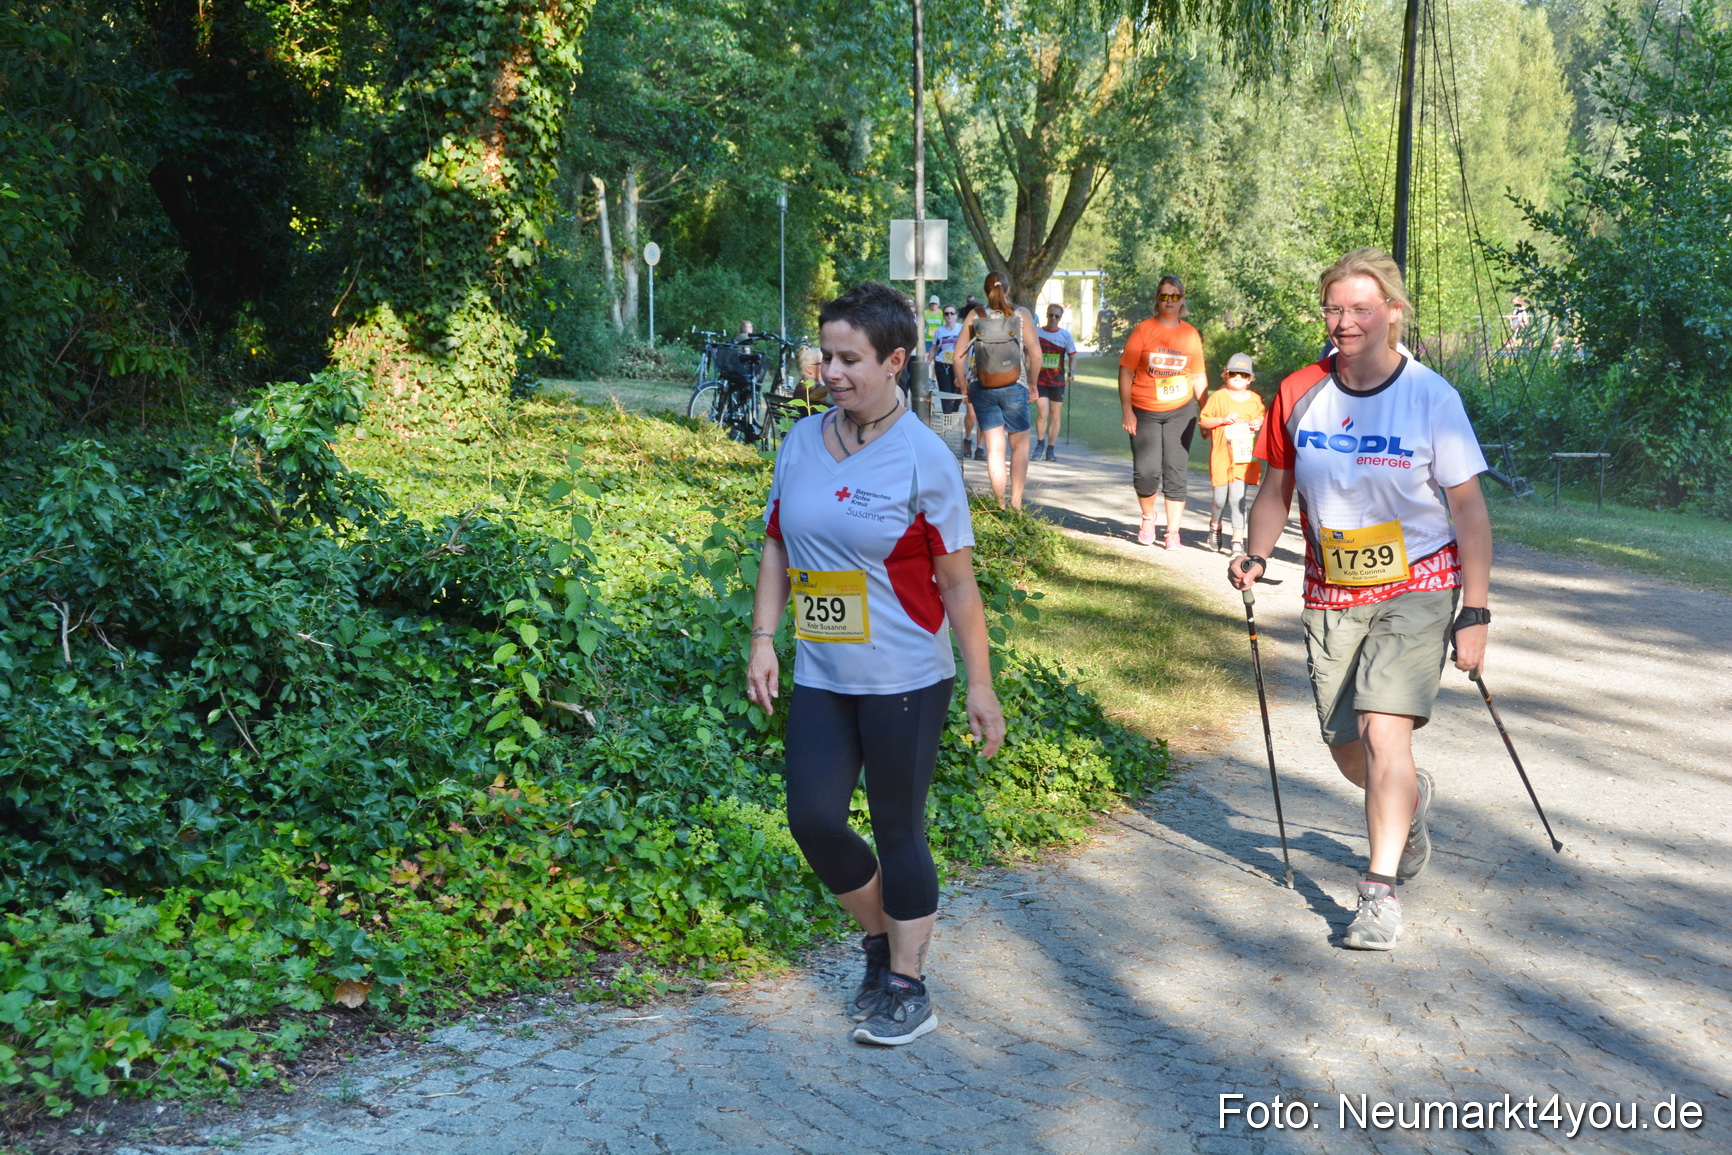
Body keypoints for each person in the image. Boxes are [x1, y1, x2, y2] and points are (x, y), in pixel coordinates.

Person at [747, 281, 1007, 1045]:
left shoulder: (924, 458)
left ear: (895, 361)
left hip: (906, 677)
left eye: (849, 359)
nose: (831, 371)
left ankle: (908, 982)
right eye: (825, 354)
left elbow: (958, 584)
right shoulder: (799, 442)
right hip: (822, 674)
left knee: (899, 827)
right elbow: (777, 544)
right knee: (814, 818)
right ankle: (877, 940)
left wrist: (982, 687)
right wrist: (764, 639)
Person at [1227, 248, 1492, 953]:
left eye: (1360, 309)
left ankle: (1378, 893)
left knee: (1383, 727)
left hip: (1420, 583)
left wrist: (1476, 610)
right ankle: (1412, 797)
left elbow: (1468, 510)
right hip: (1332, 589)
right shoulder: (1297, 392)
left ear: (1394, 314)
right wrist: (1255, 552)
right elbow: (1277, 490)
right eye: (1334, 308)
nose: (1344, 322)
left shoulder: (1432, 397)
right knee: (1349, 748)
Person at [1118, 275, 1206, 548]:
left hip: (1182, 411)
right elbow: (1125, 372)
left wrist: (1205, 414)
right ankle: (1148, 517)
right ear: (1157, 299)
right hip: (1144, 409)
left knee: (1175, 469)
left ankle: (1173, 532)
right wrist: (1127, 411)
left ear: (1183, 300)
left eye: (1175, 296)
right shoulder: (1143, 330)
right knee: (1146, 471)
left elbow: (1198, 377)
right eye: (1164, 296)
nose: (1169, 301)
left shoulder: (1190, 334)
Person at [955, 272, 1040, 509]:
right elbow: (1036, 355)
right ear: (1008, 289)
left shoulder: (975, 315)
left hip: (982, 387)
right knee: (1020, 447)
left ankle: (999, 505)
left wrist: (964, 387)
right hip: (1015, 385)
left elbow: (957, 357)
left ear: (986, 291)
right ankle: (1017, 505)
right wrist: (1032, 385)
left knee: (994, 450)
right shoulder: (1021, 314)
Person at [1197, 352, 1265, 555]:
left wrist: (1258, 422)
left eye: (1243, 375)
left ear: (1250, 379)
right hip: (1221, 456)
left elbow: (1261, 417)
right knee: (1220, 499)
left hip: (1242, 458)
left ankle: (1237, 541)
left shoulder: (1254, 400)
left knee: (1238, 498)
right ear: (1225, 375)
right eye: (1234, 373)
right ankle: (1215, 525)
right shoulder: (1219, 397)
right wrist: (1222, 419)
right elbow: (1204, 421)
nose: (1238, 377)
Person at [1034, 303, 1076, 462]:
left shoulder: (1065, 336)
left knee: (1055, 415)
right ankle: (1040, 444)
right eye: (1050, 315)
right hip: (1040, 379)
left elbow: (1072, 356)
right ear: (1046, 315)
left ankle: (1050, 449)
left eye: (1056, 316)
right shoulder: (1037, 333)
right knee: (1042, 413)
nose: (1053, 318)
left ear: (1060, 318)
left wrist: (1071, 372)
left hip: (1057, 381)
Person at [930, 305, 963, 418]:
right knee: (945, 392)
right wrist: (927, 363)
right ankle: (947, 419)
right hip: (942, 364)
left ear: (956, 315)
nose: (949, 316)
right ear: (943, 316)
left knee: (958, 392)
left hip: (958, 364)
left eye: (952, 313)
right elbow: (934, 347)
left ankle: (953, 413)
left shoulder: (961, 328)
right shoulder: (939, 331)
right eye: (947, 313)